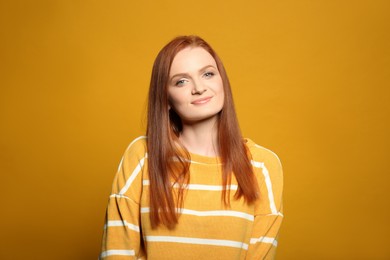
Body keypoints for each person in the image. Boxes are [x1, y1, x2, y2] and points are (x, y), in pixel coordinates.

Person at [100, 35, 283, 259]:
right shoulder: (142, 156)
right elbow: (116, 251)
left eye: (208, 74)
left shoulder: (262, 165)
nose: (199, 88)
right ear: (166, 98)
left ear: (222, 80)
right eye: (181, 81)